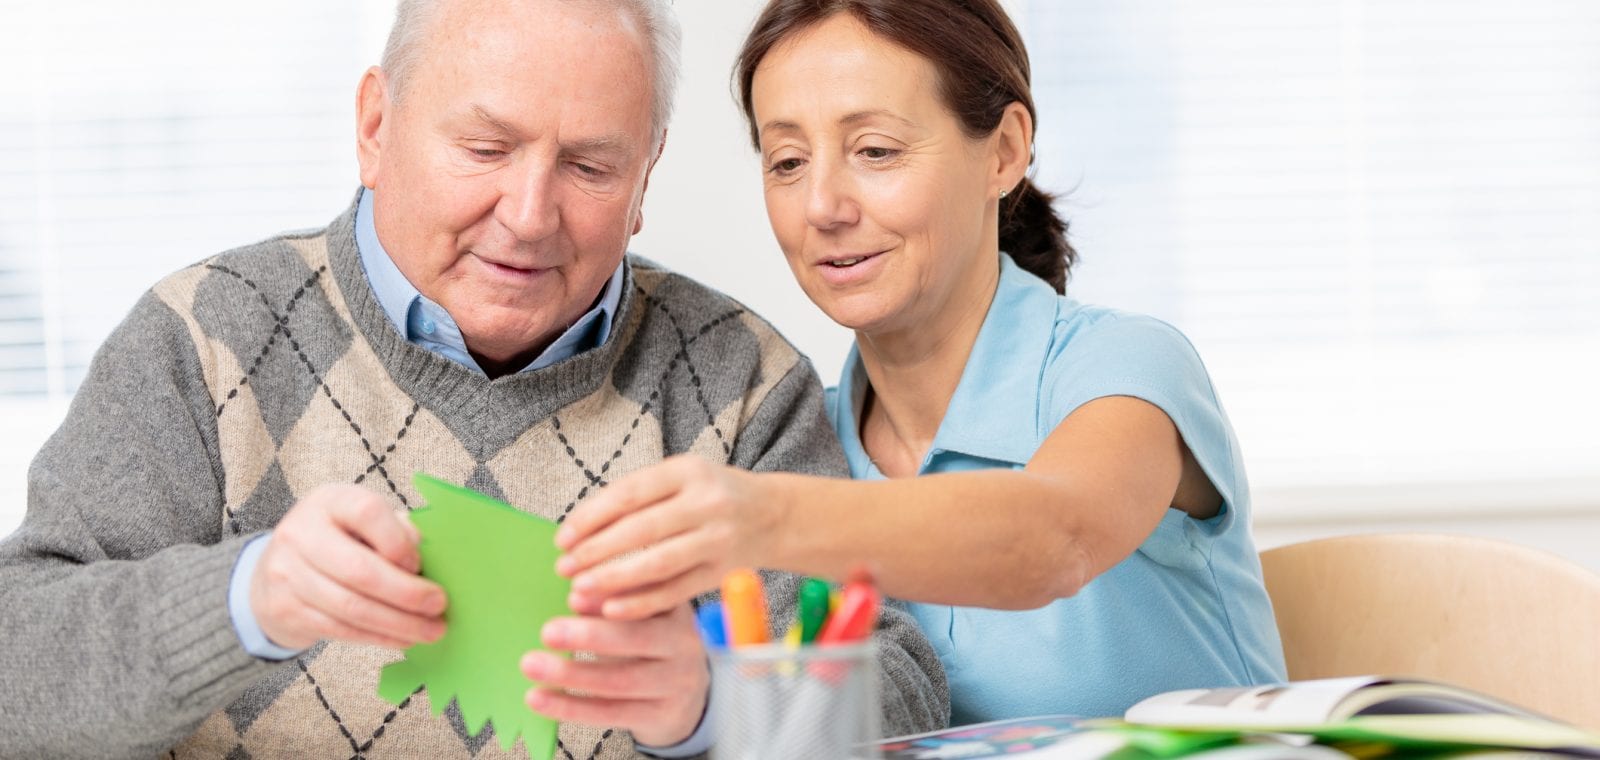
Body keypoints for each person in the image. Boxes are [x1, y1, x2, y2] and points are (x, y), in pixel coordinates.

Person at [0, 1, 948, 757]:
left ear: (647, 175)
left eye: (589, 165)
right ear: (376, 127)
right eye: (485, 149)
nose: (531, 216)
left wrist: (714, 707)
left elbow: (900, 694)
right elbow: (17, 672)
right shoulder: (201, 339)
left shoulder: (741, 382)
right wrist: (244, 601)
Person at [553, 0, 1288, 726]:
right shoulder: (806, 436)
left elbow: (1056, 538)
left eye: (875, 150)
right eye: (787, 161)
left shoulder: (1122, 367)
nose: (823, 206)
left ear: (1004, 151)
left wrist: (762, 514)